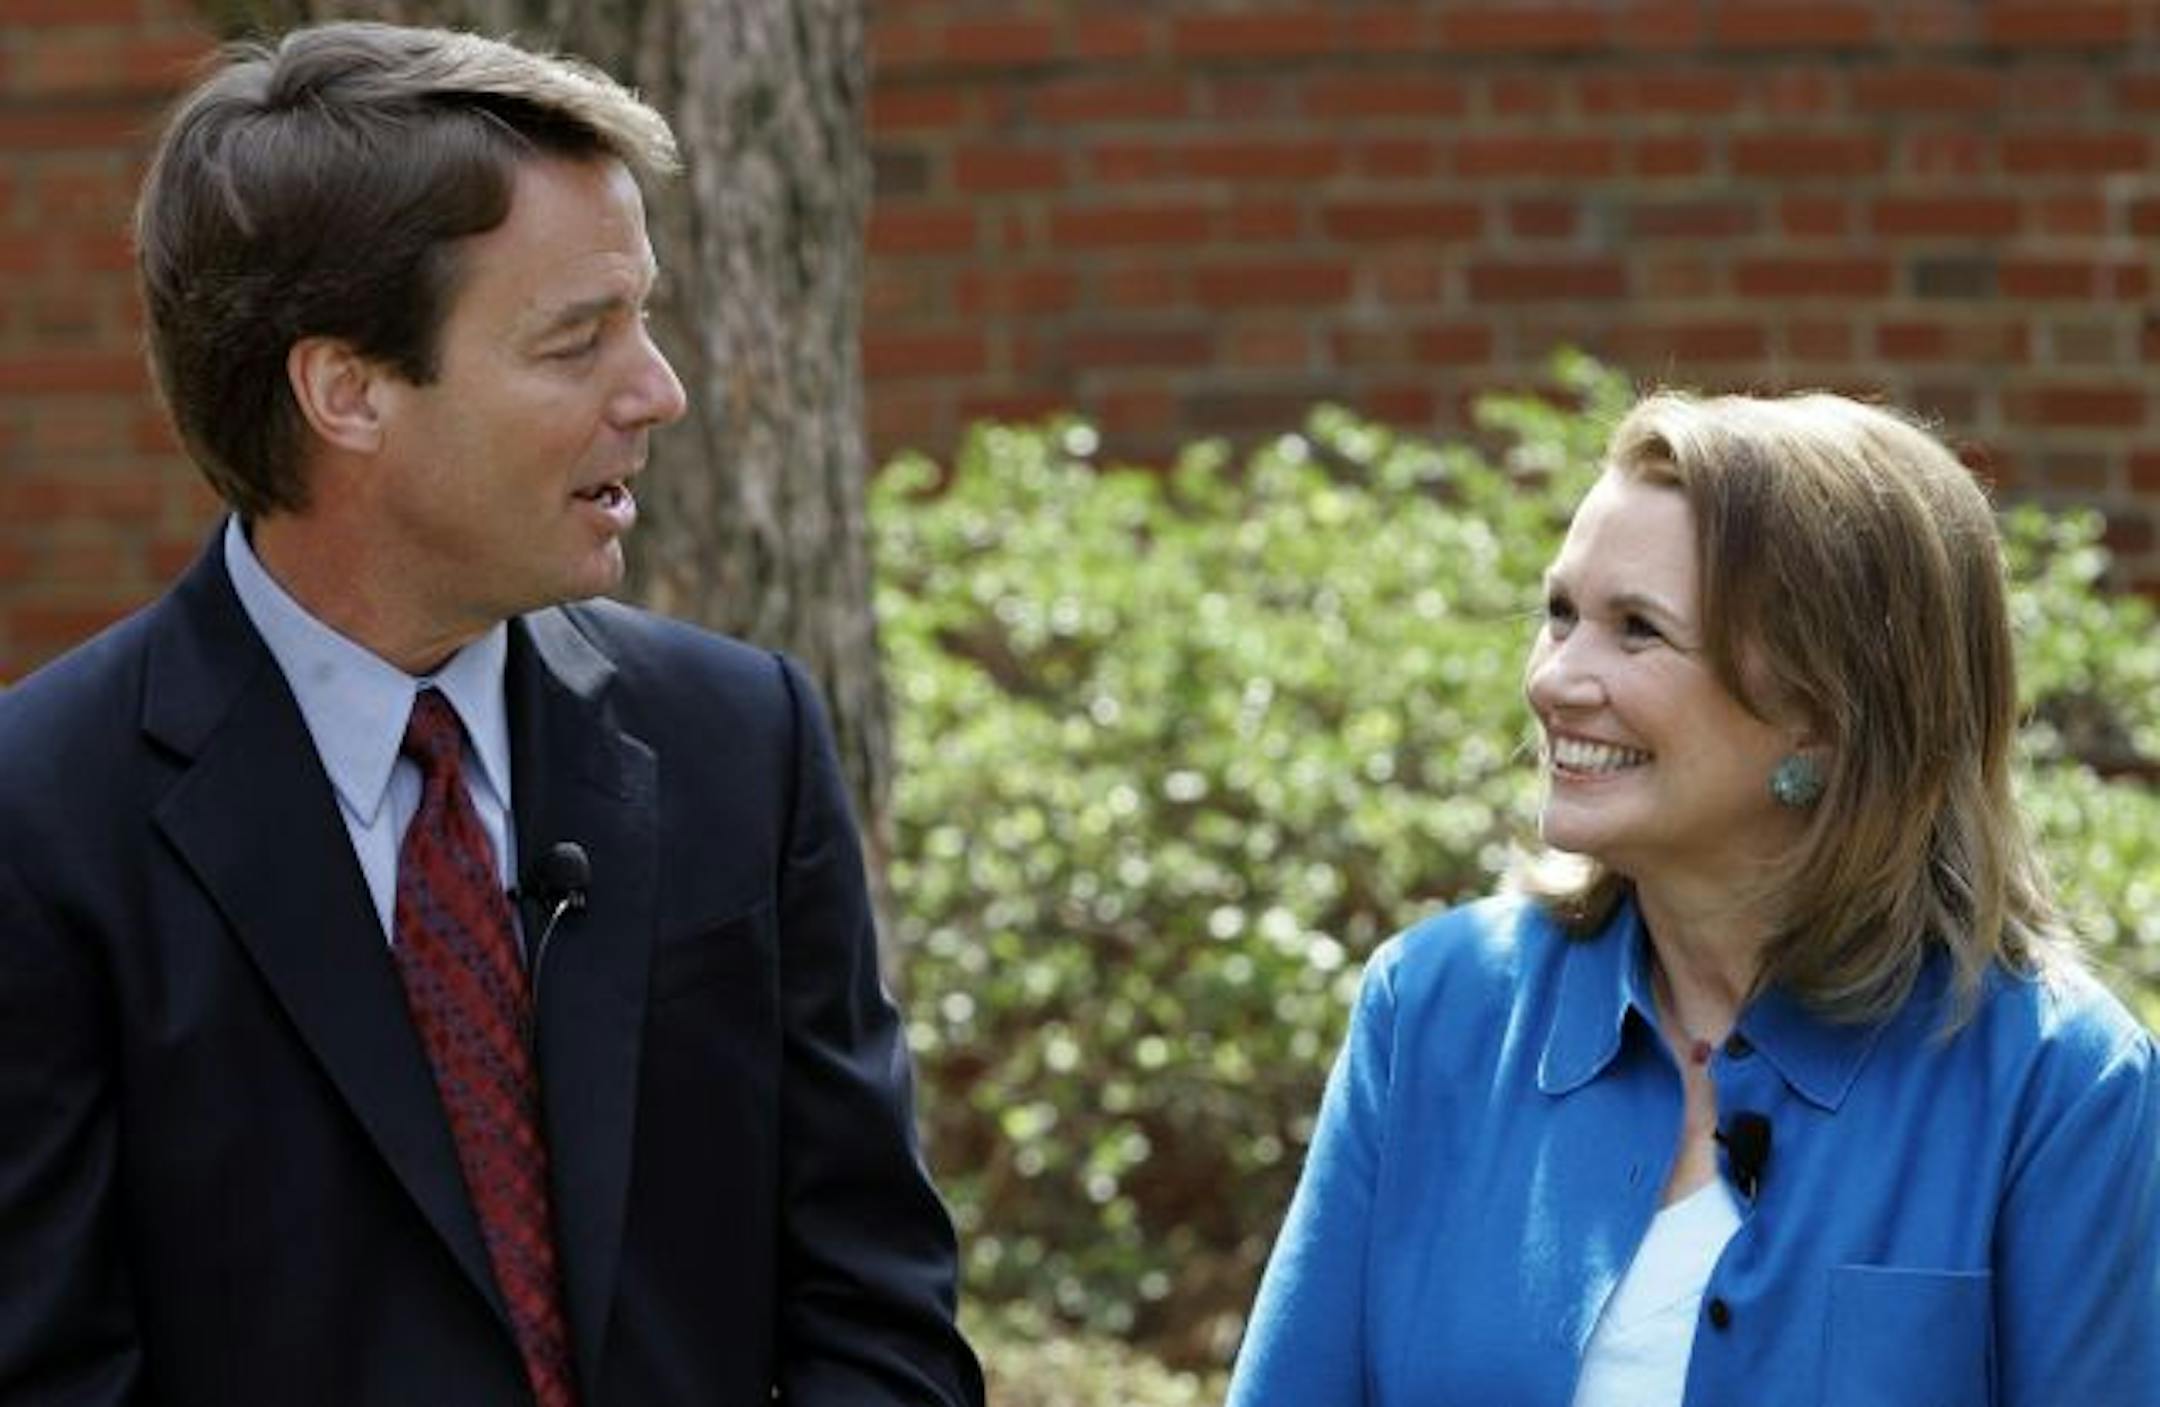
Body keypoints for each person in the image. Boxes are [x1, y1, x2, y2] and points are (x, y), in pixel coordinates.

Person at [0, 22, 982, 1406]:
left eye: (643, 317)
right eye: (579, 339)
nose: (659, 390)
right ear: (347, 390)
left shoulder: (740, 740)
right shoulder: (39, 822)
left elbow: (879, 1314)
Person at [1225, 391, 2160, 1405]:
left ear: (1823, 714)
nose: (1556, 679)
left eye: (1637, 631)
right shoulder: (1435, 1009)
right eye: (1560, 615)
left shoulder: (2060, 1088)